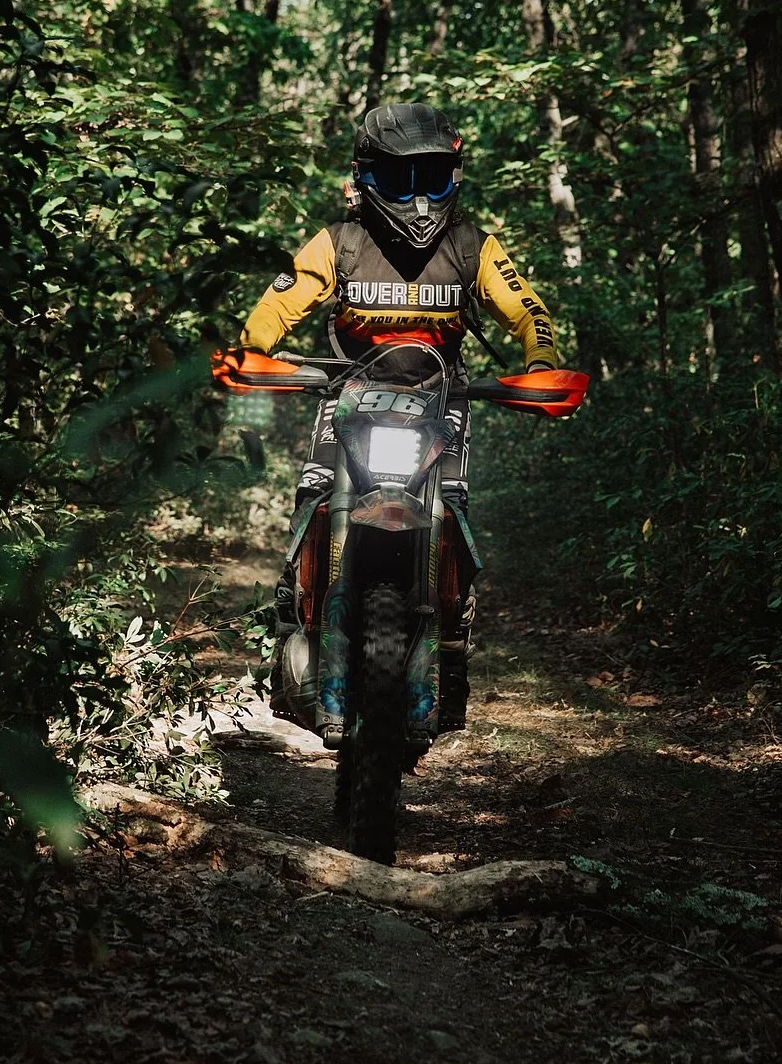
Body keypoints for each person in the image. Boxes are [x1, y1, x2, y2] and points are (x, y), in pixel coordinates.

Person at [228, 101, 563, 731]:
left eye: (432, 178)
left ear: (455, 177)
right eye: (400, 179)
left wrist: (540, 358)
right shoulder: (339, 243)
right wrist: (254, 350)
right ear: (364, 176)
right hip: (348, 400)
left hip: (441, 406)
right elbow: (280, 303)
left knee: (453, 512)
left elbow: (526, 310)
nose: (417, 197)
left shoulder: (473, 246)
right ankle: (292, 629)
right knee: (314, 502)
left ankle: (454, 641)